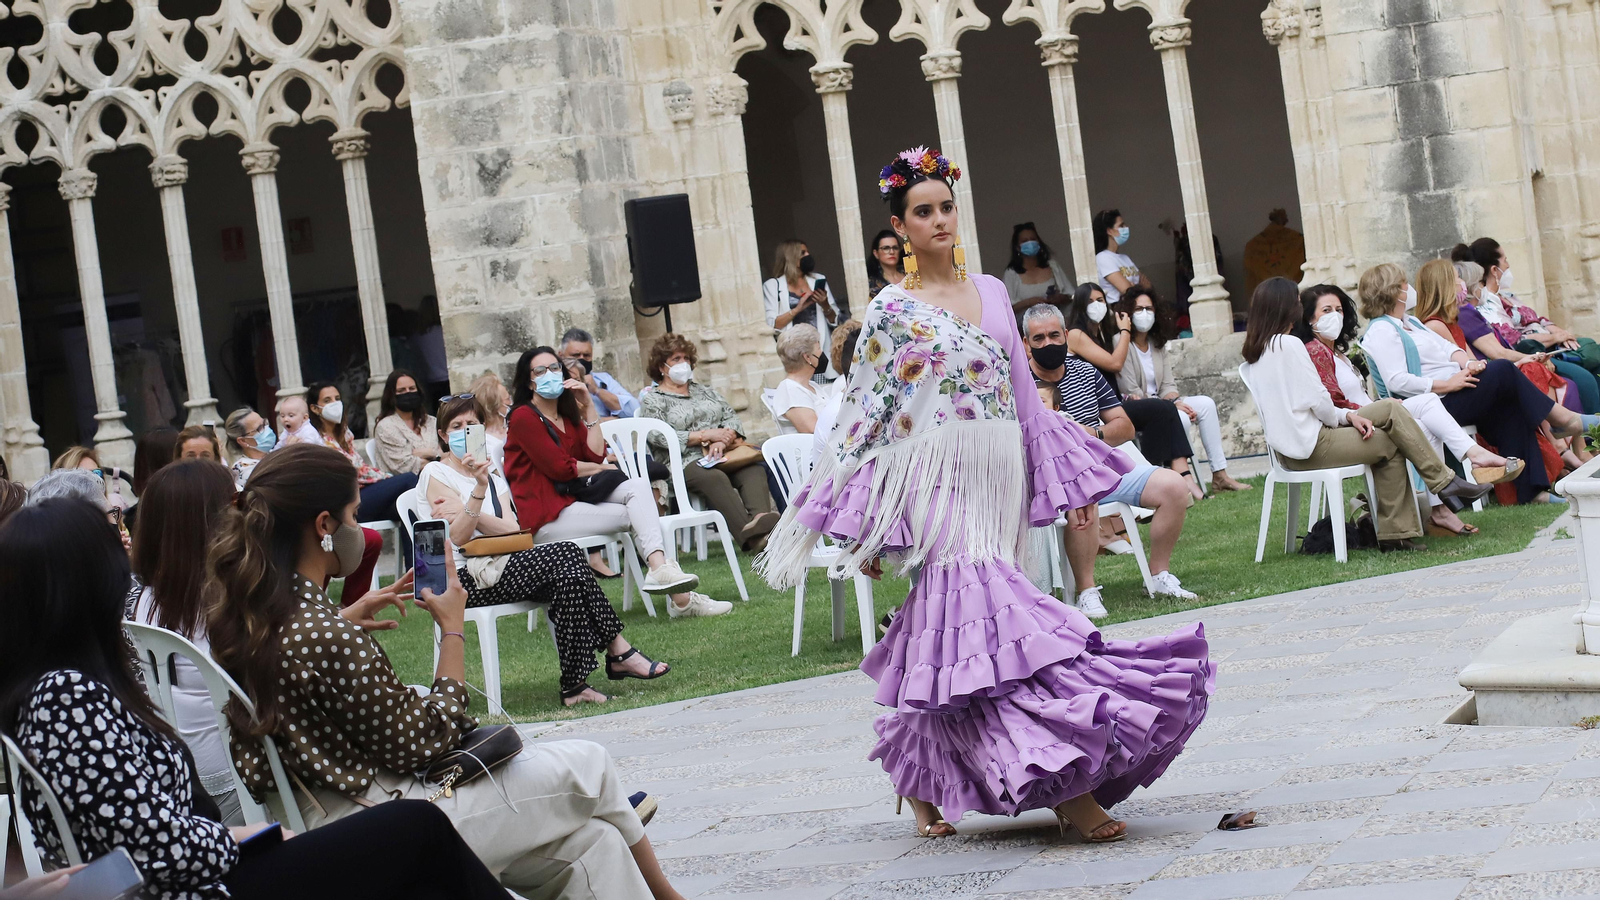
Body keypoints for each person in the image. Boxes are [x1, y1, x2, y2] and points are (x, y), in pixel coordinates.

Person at [761, 145, 1213, 845]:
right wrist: (860, 528)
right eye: (922, 212)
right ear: (899, 228)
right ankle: (1069, 787)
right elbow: (866, 421)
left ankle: (916, 777)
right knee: (998, 618)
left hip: (999, 474)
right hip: (938, 485)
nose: (938, 220)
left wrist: (1069, 478)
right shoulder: (890, 311)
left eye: (945, 207)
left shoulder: (996, 294)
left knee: (964, 636)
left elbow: (1027, 403)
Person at [205, 446, 685, 899]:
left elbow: (300, 652)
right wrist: (452, 629)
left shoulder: (258, 612)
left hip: (329, 818)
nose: (361, 530)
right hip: (387, 821)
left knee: (591, 844)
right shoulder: (323, 632)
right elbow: (428, 736)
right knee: (593, 763)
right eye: (354, 515)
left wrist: (346, 615)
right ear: (324, 525)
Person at [0, 496, 512, 900]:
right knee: (416, 825)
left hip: (206, 875)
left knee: (418, 877)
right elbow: (150, 847)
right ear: (85, 583)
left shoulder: (69, 686)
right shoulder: (64, 695)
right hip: (199, 889)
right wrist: (250, 839)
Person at [419, 395, 678, 705]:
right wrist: (477, 493)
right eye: (456, 427)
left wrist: (471, 509)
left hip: (503, 564)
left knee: (567, 577)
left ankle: (575, 686)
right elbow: (458, 538)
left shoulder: (491, 474)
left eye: (471, 425)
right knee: (566, 554)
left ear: (482, 430)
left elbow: (514, 530)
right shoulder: (435, 475)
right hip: (460, 579)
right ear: (444, 436)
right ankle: (618, 650)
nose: (464, 431)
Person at [1243, 276, 1495, 549]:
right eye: (1295, 302)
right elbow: (1319, 402)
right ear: (1283, 307)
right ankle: (1429, 499)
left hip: (1289, 452)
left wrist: (1348, 416)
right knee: (1391, 434)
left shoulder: (1257, 353)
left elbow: (1307, 402)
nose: (1298, 307)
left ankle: (1431, 499)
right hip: (1312, 445)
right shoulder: (1289, 345)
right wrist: (1344, 416)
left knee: (1389, 418)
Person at [502, 348, 729, 620]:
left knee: (638, 487)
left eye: (554, 368)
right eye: (540, 371)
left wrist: (587, 407)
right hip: (546, 515)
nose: (549, 375)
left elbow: (593, 454)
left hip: (573, 501)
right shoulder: (523, 417)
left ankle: (664, 576)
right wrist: (600, 466)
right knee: (638, 514)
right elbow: (562, 469)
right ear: (529, 382)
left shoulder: (565, 412)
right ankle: (679, 595)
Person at [1357, 264, 1595, 504]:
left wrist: (1468, 364)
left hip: (1456, 387)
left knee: (1509, 405)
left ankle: (1533, 492)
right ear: (1394, 291)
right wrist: (1447, 384)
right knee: (1503, 369)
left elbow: (1449, 348)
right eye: (1404, 284)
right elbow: (1397, 381)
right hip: (1433, 403)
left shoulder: (1412, 323)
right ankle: (1562, 420)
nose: (1410, 288)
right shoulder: (1382, 331)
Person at [1299, 282, 1518, 536]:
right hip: (1352, 421)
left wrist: (1384, 406)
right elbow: (1332, 402)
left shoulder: (1337, 352)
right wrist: (1382, 408)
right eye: (1326, 311)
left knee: (1427, 412)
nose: (1335, 316)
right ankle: (1468, 464)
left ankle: (1442, 507)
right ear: (1309, 317)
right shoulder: (1314, 351)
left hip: (1372, 411)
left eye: (1338, 309)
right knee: (1426, 404)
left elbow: (1358, 395)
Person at [1022, 303, 1202, 613]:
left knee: (1173, 486)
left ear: (1066, 335)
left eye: (1054, 335)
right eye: (1038, 339)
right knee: (1083, 497)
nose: (1048, 344)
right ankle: (1086, 590)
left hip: (1101, 471)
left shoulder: (1084, 371)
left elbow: (1125, 427)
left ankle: (1160, 575)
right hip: (1051, 482)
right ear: (1026, 343)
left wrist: (1089, 434)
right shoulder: (1018, 386)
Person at [128, 460, 245, 822]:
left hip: (179, 775)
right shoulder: (228, 599)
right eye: (235, 503)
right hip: (239, 781)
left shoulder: (146, 600)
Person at [639, 333, 779, 551]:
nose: (683, 364)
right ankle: (753, 540)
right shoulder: (653, 399)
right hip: (684, 462)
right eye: (676, 359)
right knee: (714, 478)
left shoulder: (704, 391)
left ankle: (761, 525)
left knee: (752, 469)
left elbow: (731, 418)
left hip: (721, 454)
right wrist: (705, 436)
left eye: (686, 358)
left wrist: (722, 440)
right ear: (661, 367)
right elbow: (657, 435)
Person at [1067, 282, 1202, 496]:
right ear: (1081, 306)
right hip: (1098, 410)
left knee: (1162, 409)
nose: (1097, 306)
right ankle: (1159, 476)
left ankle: (1176, 473)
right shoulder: (1076, 334)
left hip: (1113, 403)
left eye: (1101, 300)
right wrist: (1124, 331)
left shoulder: (1100, 334)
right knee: (1160, 408)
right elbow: (1114, 364)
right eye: (1090, 301)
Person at [1116, 287, 1251, 492]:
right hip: (1145, 408)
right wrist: (1171, 405)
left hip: (1165, 403)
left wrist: (1174, 400)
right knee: (1181, 418)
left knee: (1205, 404)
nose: (1145, 314)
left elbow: (1168, 384)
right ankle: (1181, 480)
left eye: (1149, 309)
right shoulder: (1121, 342)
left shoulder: (1157, 343)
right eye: (1139, 309)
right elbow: (1130, 389)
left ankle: (1220, 475)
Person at [1448, 250, 1598, 415]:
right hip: (1516, 359)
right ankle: (1569, 438)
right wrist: (1534, 356)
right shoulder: (1467, 313)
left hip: (1523, 356)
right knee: (1578, 382)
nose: (1483, 287)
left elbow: (1534, 319)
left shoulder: (1477, 308)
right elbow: (1499, 351)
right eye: (1480, 282)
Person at [307, 381, 418, 532]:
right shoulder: (316, 440)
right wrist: (388, 479)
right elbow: (354, 471)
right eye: (327, 401)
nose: (335, 404)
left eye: (337, 399)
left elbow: (361, 467)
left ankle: (416, 555)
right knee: (409, 479)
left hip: (363, 494)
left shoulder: (344, 434)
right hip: (346, 503)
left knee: (407, 507)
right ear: (314, 408)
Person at [763, 239, 845, 381]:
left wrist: (825, 305)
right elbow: (772, 324)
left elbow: (835, 320)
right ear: (791, 257)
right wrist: (798, 309)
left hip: (820, 354)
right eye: (802, 253)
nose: (808, 255)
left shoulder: (818, 280)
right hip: (794, 355)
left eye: (807, 252)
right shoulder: (773, 286)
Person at [560, 327, 640, 420]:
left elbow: (635, 410)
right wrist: (610, 420)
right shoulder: (558, 384)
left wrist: (597, 390)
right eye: (575, 355)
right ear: (561, 355)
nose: (581, 359)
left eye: (586, 355)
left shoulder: (603, 379)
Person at [372, 369, 439, 475]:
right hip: (407, 486)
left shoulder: (431, 421)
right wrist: (437, 458)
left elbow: (448, 453)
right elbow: (403, 466)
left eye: (412, 388)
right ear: (391, 395)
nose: (408, 393)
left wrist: (428, 453)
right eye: (401, 390)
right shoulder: (386, 427)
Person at [771, 324, 832, 434]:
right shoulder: (790, 390)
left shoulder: (812, 385)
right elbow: (813, 432)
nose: (821, 352)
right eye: (818, 348)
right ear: (807, 357)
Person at [1001, 221, 1072, 314]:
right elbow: (1007, 308)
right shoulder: (1011, 273)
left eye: (1033, 239)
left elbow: (1070, 295)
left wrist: (1059, 298)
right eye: (1024, 241)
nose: (1030, 243)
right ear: (1017, 247)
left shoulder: (1052, 266)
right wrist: (1029, 302)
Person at [1093, 208, 1151, 304]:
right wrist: (1139, 287)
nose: (1126, 227)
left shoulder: (1125, 258)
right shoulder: (1103, 258)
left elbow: (1148, 285)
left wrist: (1136, 288)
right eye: (1121, 225)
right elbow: (1127, 291)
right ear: (1109, 231)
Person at [468, 371, 513, 471]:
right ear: (494, 406)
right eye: (507, 399)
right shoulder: (481, 442)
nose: (511, 403)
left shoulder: (512, 428)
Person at [221, 406, 274, 489]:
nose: (266, 429)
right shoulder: (243, 470)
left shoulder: (271, 453)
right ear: (243, 441)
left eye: (265, 423)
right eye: (259, 428)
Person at [866, 228, 905, 297]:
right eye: (886, 248)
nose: (892, 252)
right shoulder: (872, 283)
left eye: (895, 248)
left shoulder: (909, 274)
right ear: (876, 253)